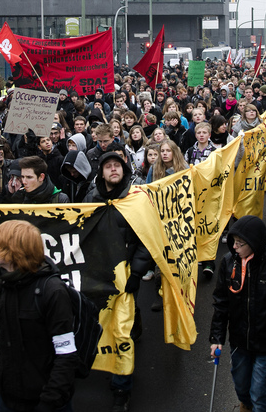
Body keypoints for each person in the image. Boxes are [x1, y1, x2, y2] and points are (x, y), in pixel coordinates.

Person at [83, 152, 153, 411]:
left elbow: (146, 238)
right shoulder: (91, 198)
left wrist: (136, 273)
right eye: (108, 167)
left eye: (117, 166)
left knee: (121, 329)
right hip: (99, 273)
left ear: (124, 170)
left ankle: (121, 387)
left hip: (125, 271)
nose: (113, 170)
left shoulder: (135, 198)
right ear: (101, 173)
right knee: (104, 321)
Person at [209, 215, 266, 412]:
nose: (234, 247)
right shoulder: (228, 264)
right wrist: (216, 337)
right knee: (242, 386)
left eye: (240, 243)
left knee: (259, 392)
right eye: (234, 242)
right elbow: (221, 303)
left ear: (254, 243)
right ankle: (246, 403)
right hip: (239, 339)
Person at [0, 220, 79, 412]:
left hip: (44, 401)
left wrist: (49, 402)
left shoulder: (53, 291)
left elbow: (65, 354)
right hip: (8, 398)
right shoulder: (7, 283)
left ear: (13, 249)